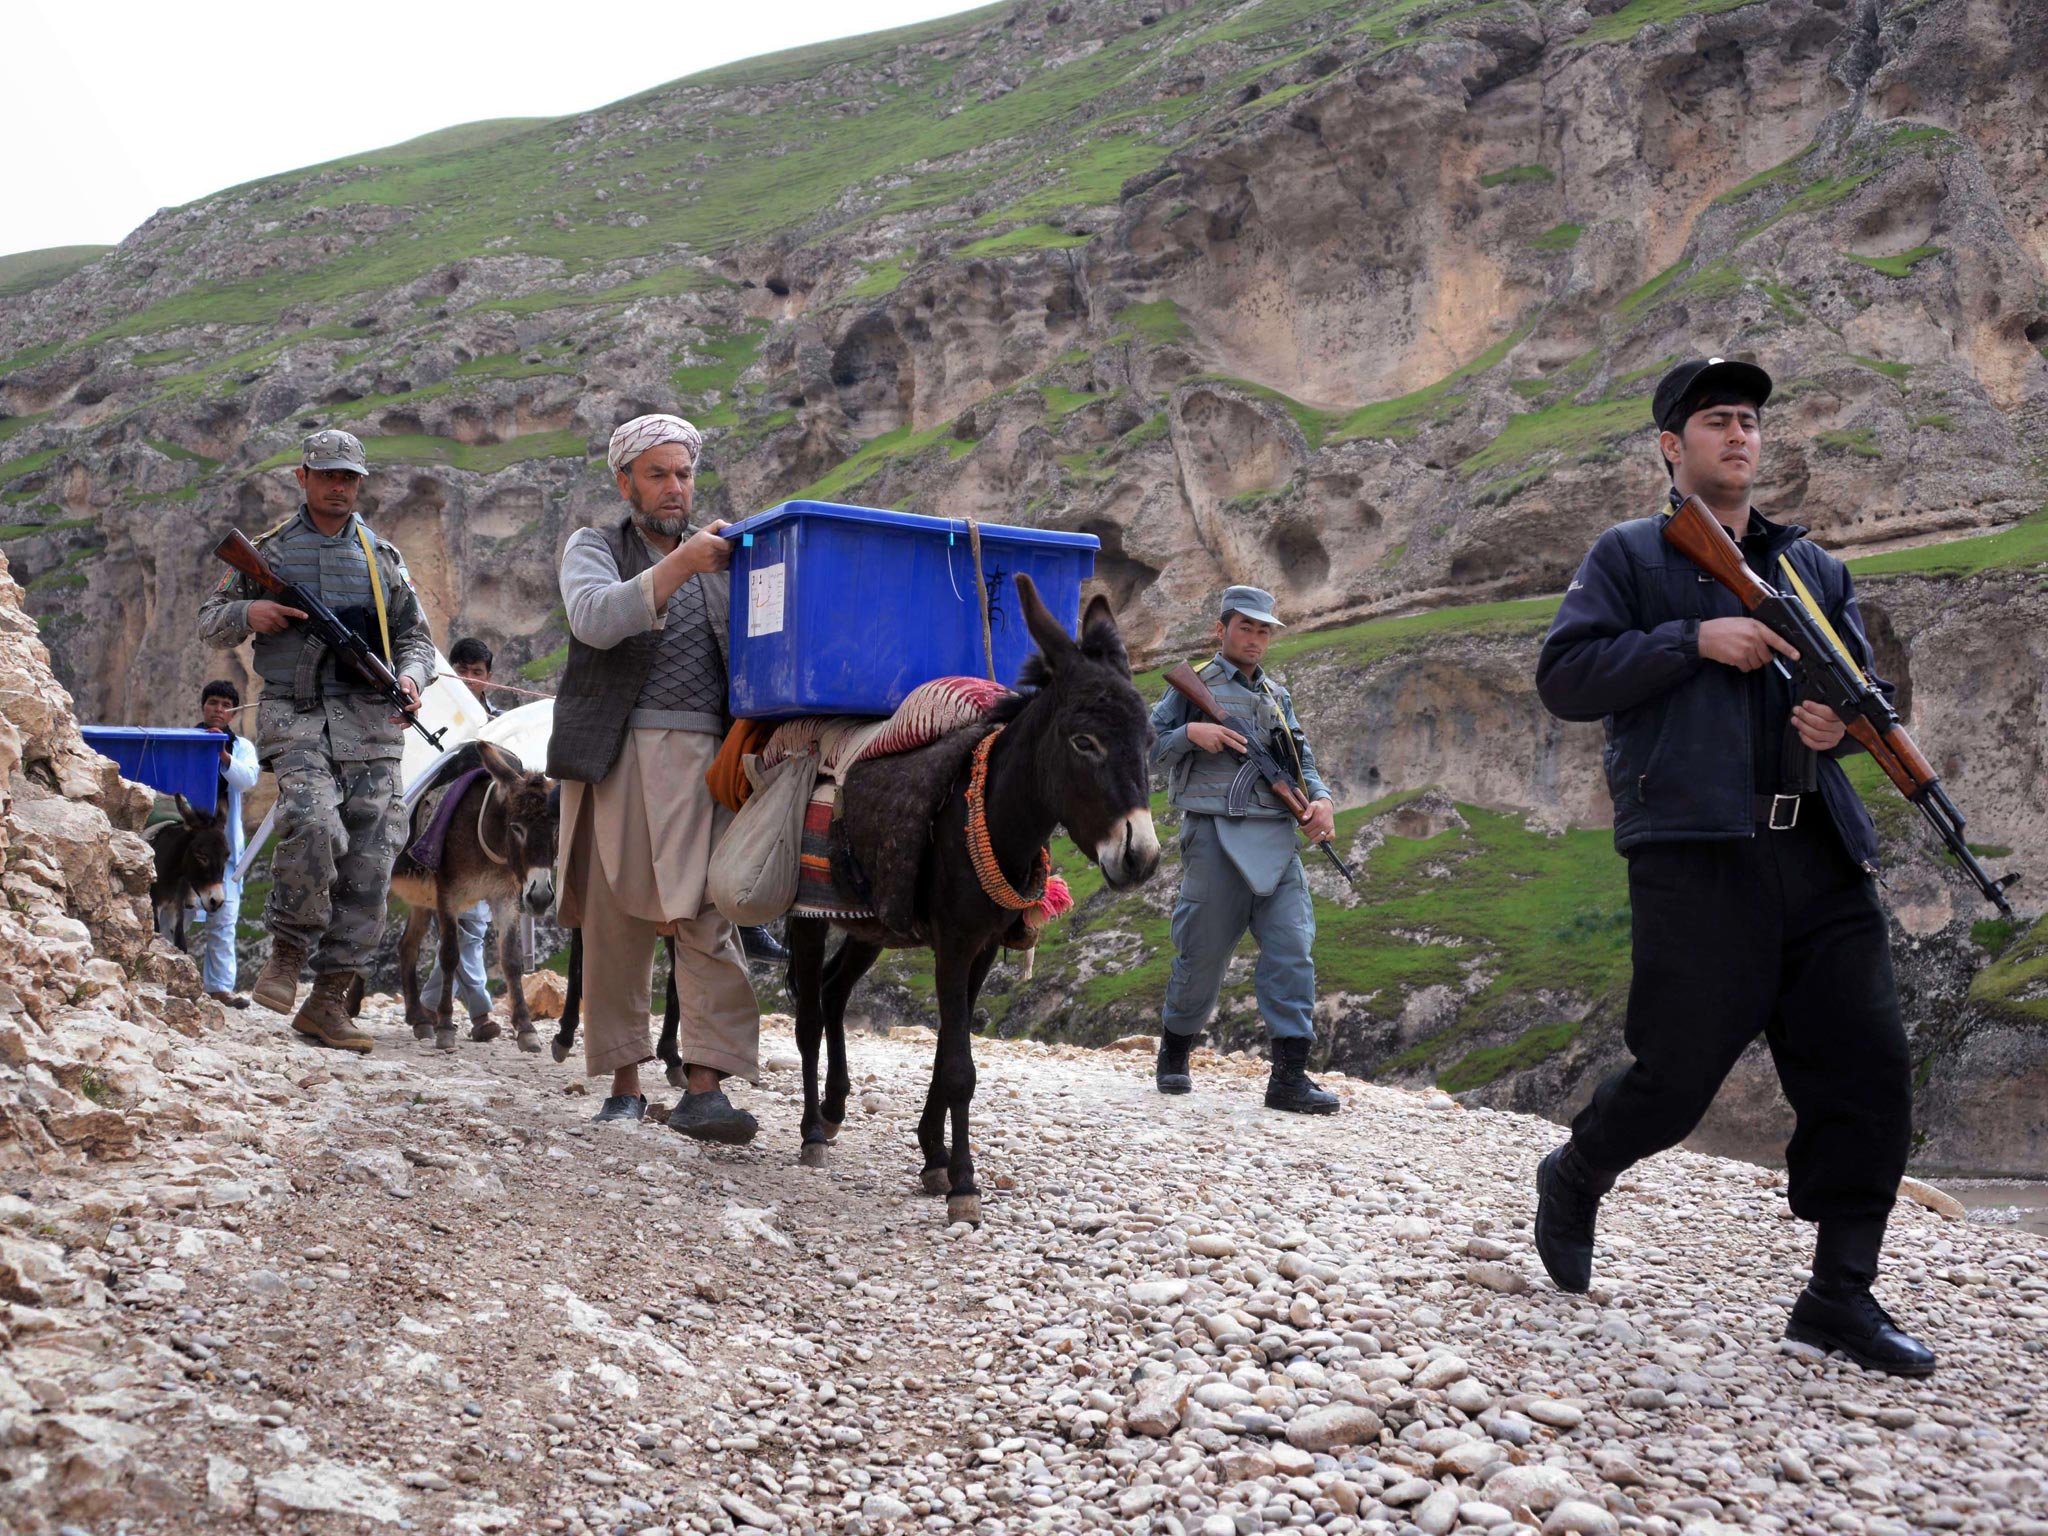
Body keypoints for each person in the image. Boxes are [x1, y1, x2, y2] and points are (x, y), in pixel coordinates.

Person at [1532, 356, 1931, 1376]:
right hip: (1697, 855)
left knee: (1869, 1068)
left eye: (1749, 420)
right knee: (1674, 1077)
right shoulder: (1627, 555)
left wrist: (1834, 727)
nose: (1738, 436)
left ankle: (1837, 1296)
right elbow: (1566, 678)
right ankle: (1577, 1171)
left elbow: (1859, 700)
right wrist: (1690, 639)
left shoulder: (1812, 568)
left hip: (1817, 852)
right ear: (1671, 446)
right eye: (1716, 421)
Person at [549, 413, 761, 1136]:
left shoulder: (726, 559)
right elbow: (595, 619)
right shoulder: (593, 546)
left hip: (710, 762)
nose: (675, 488)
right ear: (625, 482)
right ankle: (625, 1082)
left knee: (709, 913)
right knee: (616, 922)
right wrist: (682, 566)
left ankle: (705, 1087)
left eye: (684, 473)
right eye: (658, 474)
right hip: (621, 754)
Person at [199, 428, 435, 1053]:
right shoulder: (270, 554)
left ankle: (329, 999)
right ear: (302, 478)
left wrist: (410, 679)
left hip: (372, 724)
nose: (338, 486)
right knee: (310, 820)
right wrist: (251, 614)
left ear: (361, 483)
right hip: (296, 714)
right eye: (327, 474)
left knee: (373, 855)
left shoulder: (381, 559)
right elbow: (210, 623)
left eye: (349, 477)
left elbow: (417, 639)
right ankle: (286, 951)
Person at [1148, 586, 1340, 1114]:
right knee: (1201, 957)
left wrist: (1319, 800)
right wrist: (1191, 731)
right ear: (1222, 629)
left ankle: (1289, 1080)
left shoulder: (1277, 694)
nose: (1255, 639)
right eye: (1245, 628)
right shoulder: (1196, 686)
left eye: (1264, 631)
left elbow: (1300, 756)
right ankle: (1175, 1052)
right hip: (1215, 837)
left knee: (1292, 951)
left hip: (1278, 837)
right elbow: (1146, 745)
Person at [422, 638, 501, 1036]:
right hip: (449, 835)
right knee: (469, 922)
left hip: (495, 841)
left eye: (477, 672)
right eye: (462, 671)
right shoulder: (436, 718)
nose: (469, 680)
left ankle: (431, 1004)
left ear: (489, 678)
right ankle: (481, 1013)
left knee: (471, 925)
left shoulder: (502, 724)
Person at [189, 679, 261, 1007]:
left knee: (224, 917)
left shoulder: (241, 747)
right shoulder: (187, 741)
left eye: (225, 705)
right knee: (179, 914)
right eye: (213, 703)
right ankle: (161, 977)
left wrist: (221, 755)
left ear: (232, 713)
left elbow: (247, 779)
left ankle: (219, 988)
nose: (218, 709)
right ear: (203, 706)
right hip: (190, 849)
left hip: (224, 850)